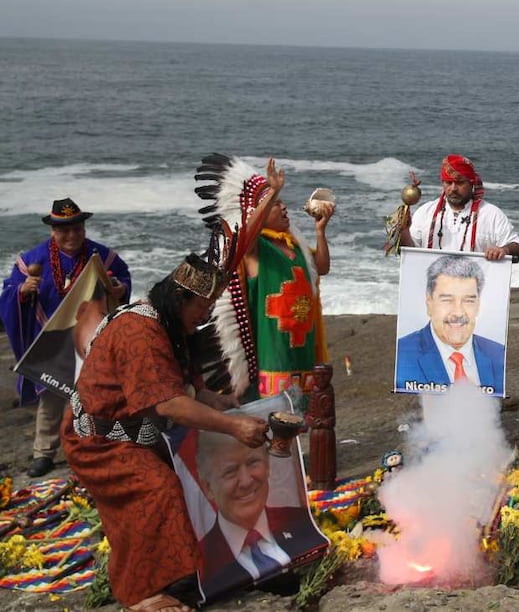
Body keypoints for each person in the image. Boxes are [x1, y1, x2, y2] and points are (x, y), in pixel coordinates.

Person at [60, 253, 269, 612]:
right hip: (97, 440)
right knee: (158, 489)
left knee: (194, 480)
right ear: (179, 299)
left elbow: (187, 389)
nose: (205, 316)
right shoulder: (139, 330)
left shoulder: (172, 326)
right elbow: (168, 404)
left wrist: (218, 404)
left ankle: (184, 572)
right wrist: (234, 425)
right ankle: (144, 594)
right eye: (202, 307)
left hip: (137, 433)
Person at [0, 198, 131, 478]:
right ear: (52, 231)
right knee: (50, 399)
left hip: (90, 339)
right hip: (53, 339)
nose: (71, 235)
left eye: (77, 228)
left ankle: (98, 445)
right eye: (64, 230)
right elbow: (8, 293)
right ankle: (44, 453)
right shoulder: (32, 260)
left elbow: (122, 278)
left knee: (97, 397)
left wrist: (119, 288)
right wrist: (22, 290)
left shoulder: (101, 256)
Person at [194, 154, 333, 400]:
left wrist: (320, 231)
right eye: (276, 204)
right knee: (276, 422)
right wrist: (271, 194)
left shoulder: (294, 246)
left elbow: (321, 267)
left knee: (303, 419)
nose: (283, 207)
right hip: (273, 354)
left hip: (302, 347)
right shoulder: (255, 249)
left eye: (280, 202)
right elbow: (246, 233)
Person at [196, 430, 326, 594]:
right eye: (230, 472)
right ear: (208, 488)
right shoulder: (202, 562)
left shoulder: (301, 521)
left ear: (267, 466)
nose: (246, 481)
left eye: (253, 463)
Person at [395, 254, 505, 395]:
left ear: (478, 305)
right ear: (429, 303)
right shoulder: (402, 356)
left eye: (468, 301)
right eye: (447, 300)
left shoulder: (498, 354)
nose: (458, 313)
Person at [398, 154, 519, 263]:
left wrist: (504, 250)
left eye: (459, 183)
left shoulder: (491, 214)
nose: (453, 188)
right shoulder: (425, 212)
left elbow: (518, 249)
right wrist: (404, 232)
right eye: (448, 182)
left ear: (472, 183)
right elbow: (409, 254)